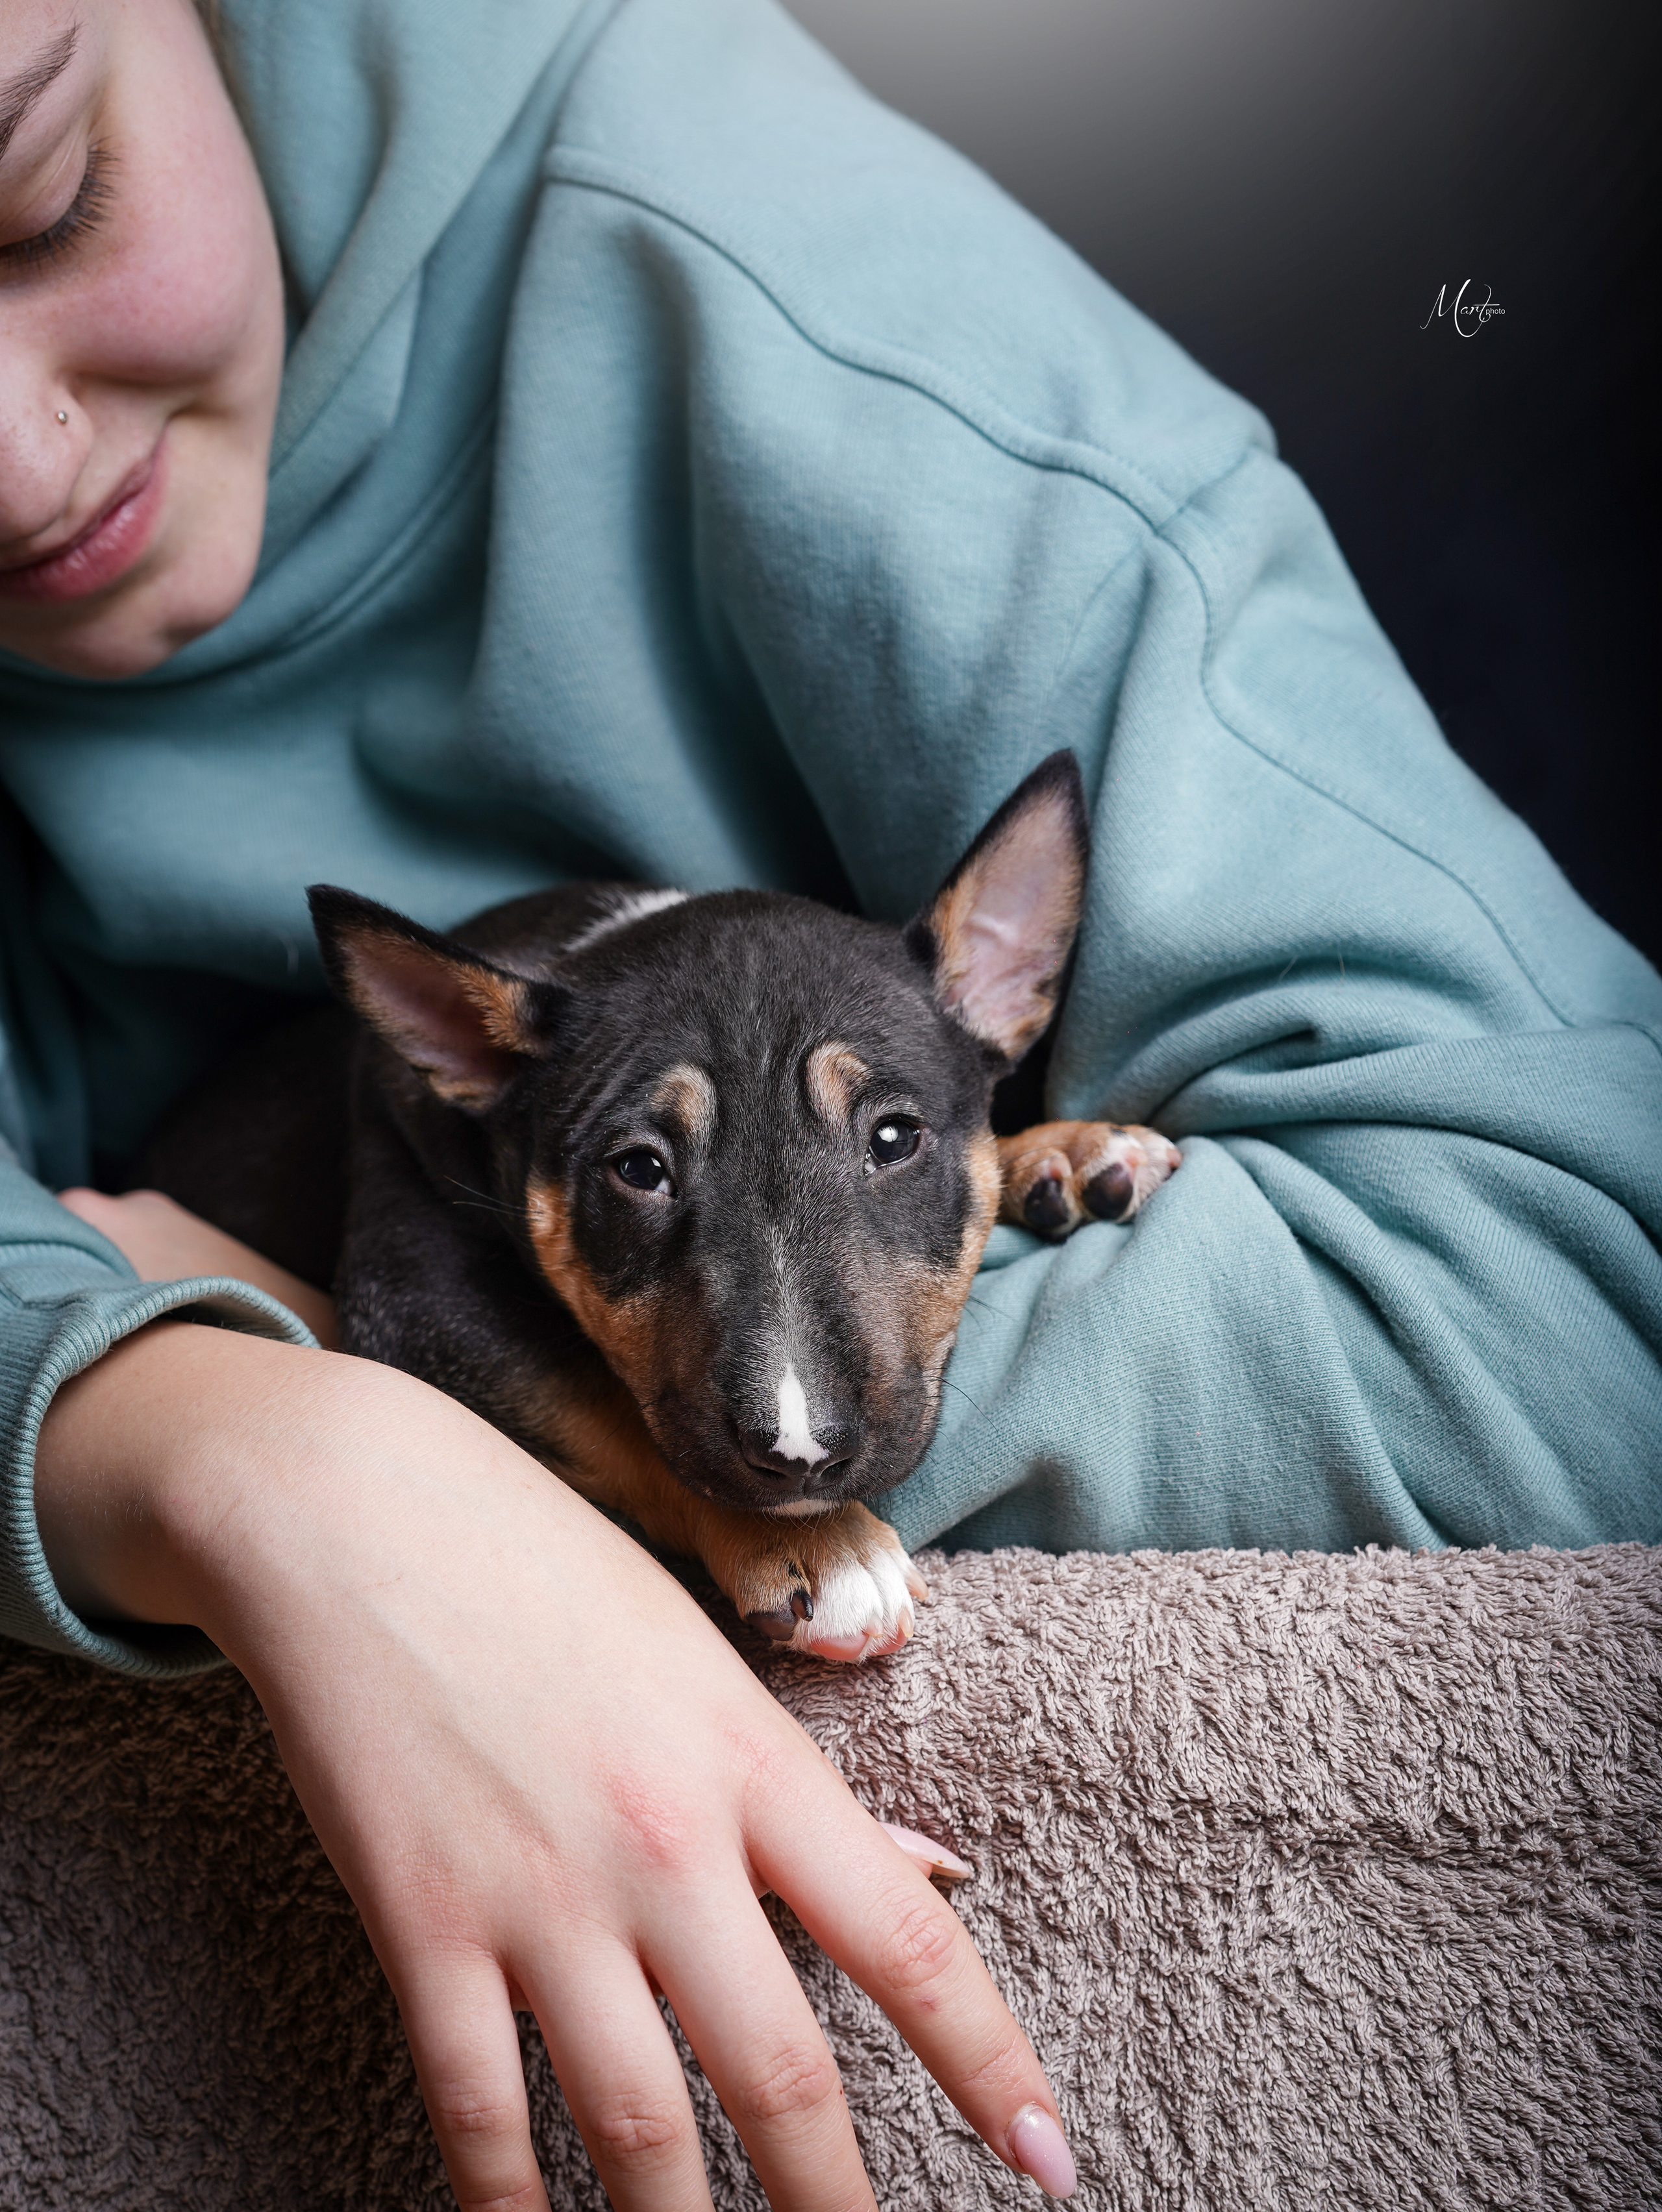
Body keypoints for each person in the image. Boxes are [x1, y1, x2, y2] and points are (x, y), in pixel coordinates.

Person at [1, 0, 1657, 2205]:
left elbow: (1586, 1306)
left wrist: (525, 1465)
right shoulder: (462, 1071)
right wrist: (192, 1430)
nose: (18, 465)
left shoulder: (826, 316)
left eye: (41, 185)